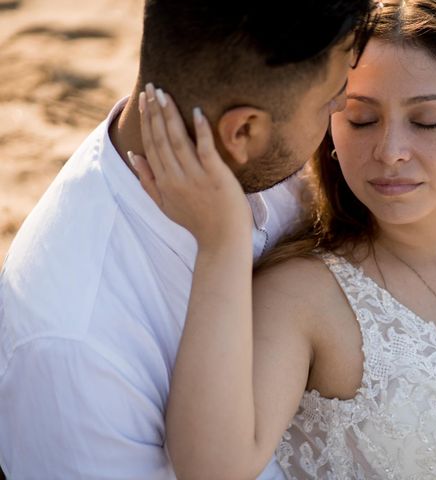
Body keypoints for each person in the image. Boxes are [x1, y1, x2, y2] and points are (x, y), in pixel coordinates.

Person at [130, 0, 436, 478]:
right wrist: (221, 245)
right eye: (361, 119)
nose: (391, 150)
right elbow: (210, 469)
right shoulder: (303, 297)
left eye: (427, 121)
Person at [0, 1, 375, 478]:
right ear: (242, 131)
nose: (344, 106)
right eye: (330, 99)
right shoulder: (75, 348)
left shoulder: (270, 158)